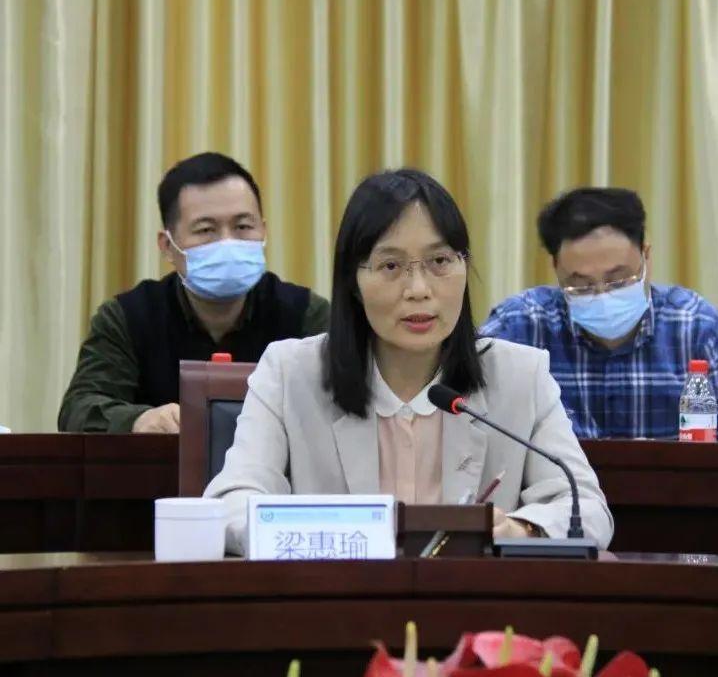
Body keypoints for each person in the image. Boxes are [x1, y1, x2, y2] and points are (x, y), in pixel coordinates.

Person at [204, 169, 613, 555]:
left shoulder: (521, 376)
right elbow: (231, 504)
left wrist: (520, 531)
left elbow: (588, 511)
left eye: (440, 262)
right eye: (391, 266)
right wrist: (334, 534)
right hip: (336, 597)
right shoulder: (289, 373)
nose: (418, 290)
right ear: (353, 282)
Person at [58, 152, 330, 434]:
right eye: (206, 230)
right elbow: (79, 409)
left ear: (263, 231)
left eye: (242, 227)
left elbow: (345, 403)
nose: (227, 242)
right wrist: (139, 420)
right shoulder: (128, 317)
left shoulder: (306, 315)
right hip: (163, 463)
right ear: (167, 246)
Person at [482, 187, 718, 442]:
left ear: (646, 256)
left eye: (618, 280)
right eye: (581, 284)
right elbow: (474, 430)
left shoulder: (700, 329)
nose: (602, 295)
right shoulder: (518, 327)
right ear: (556, 267)